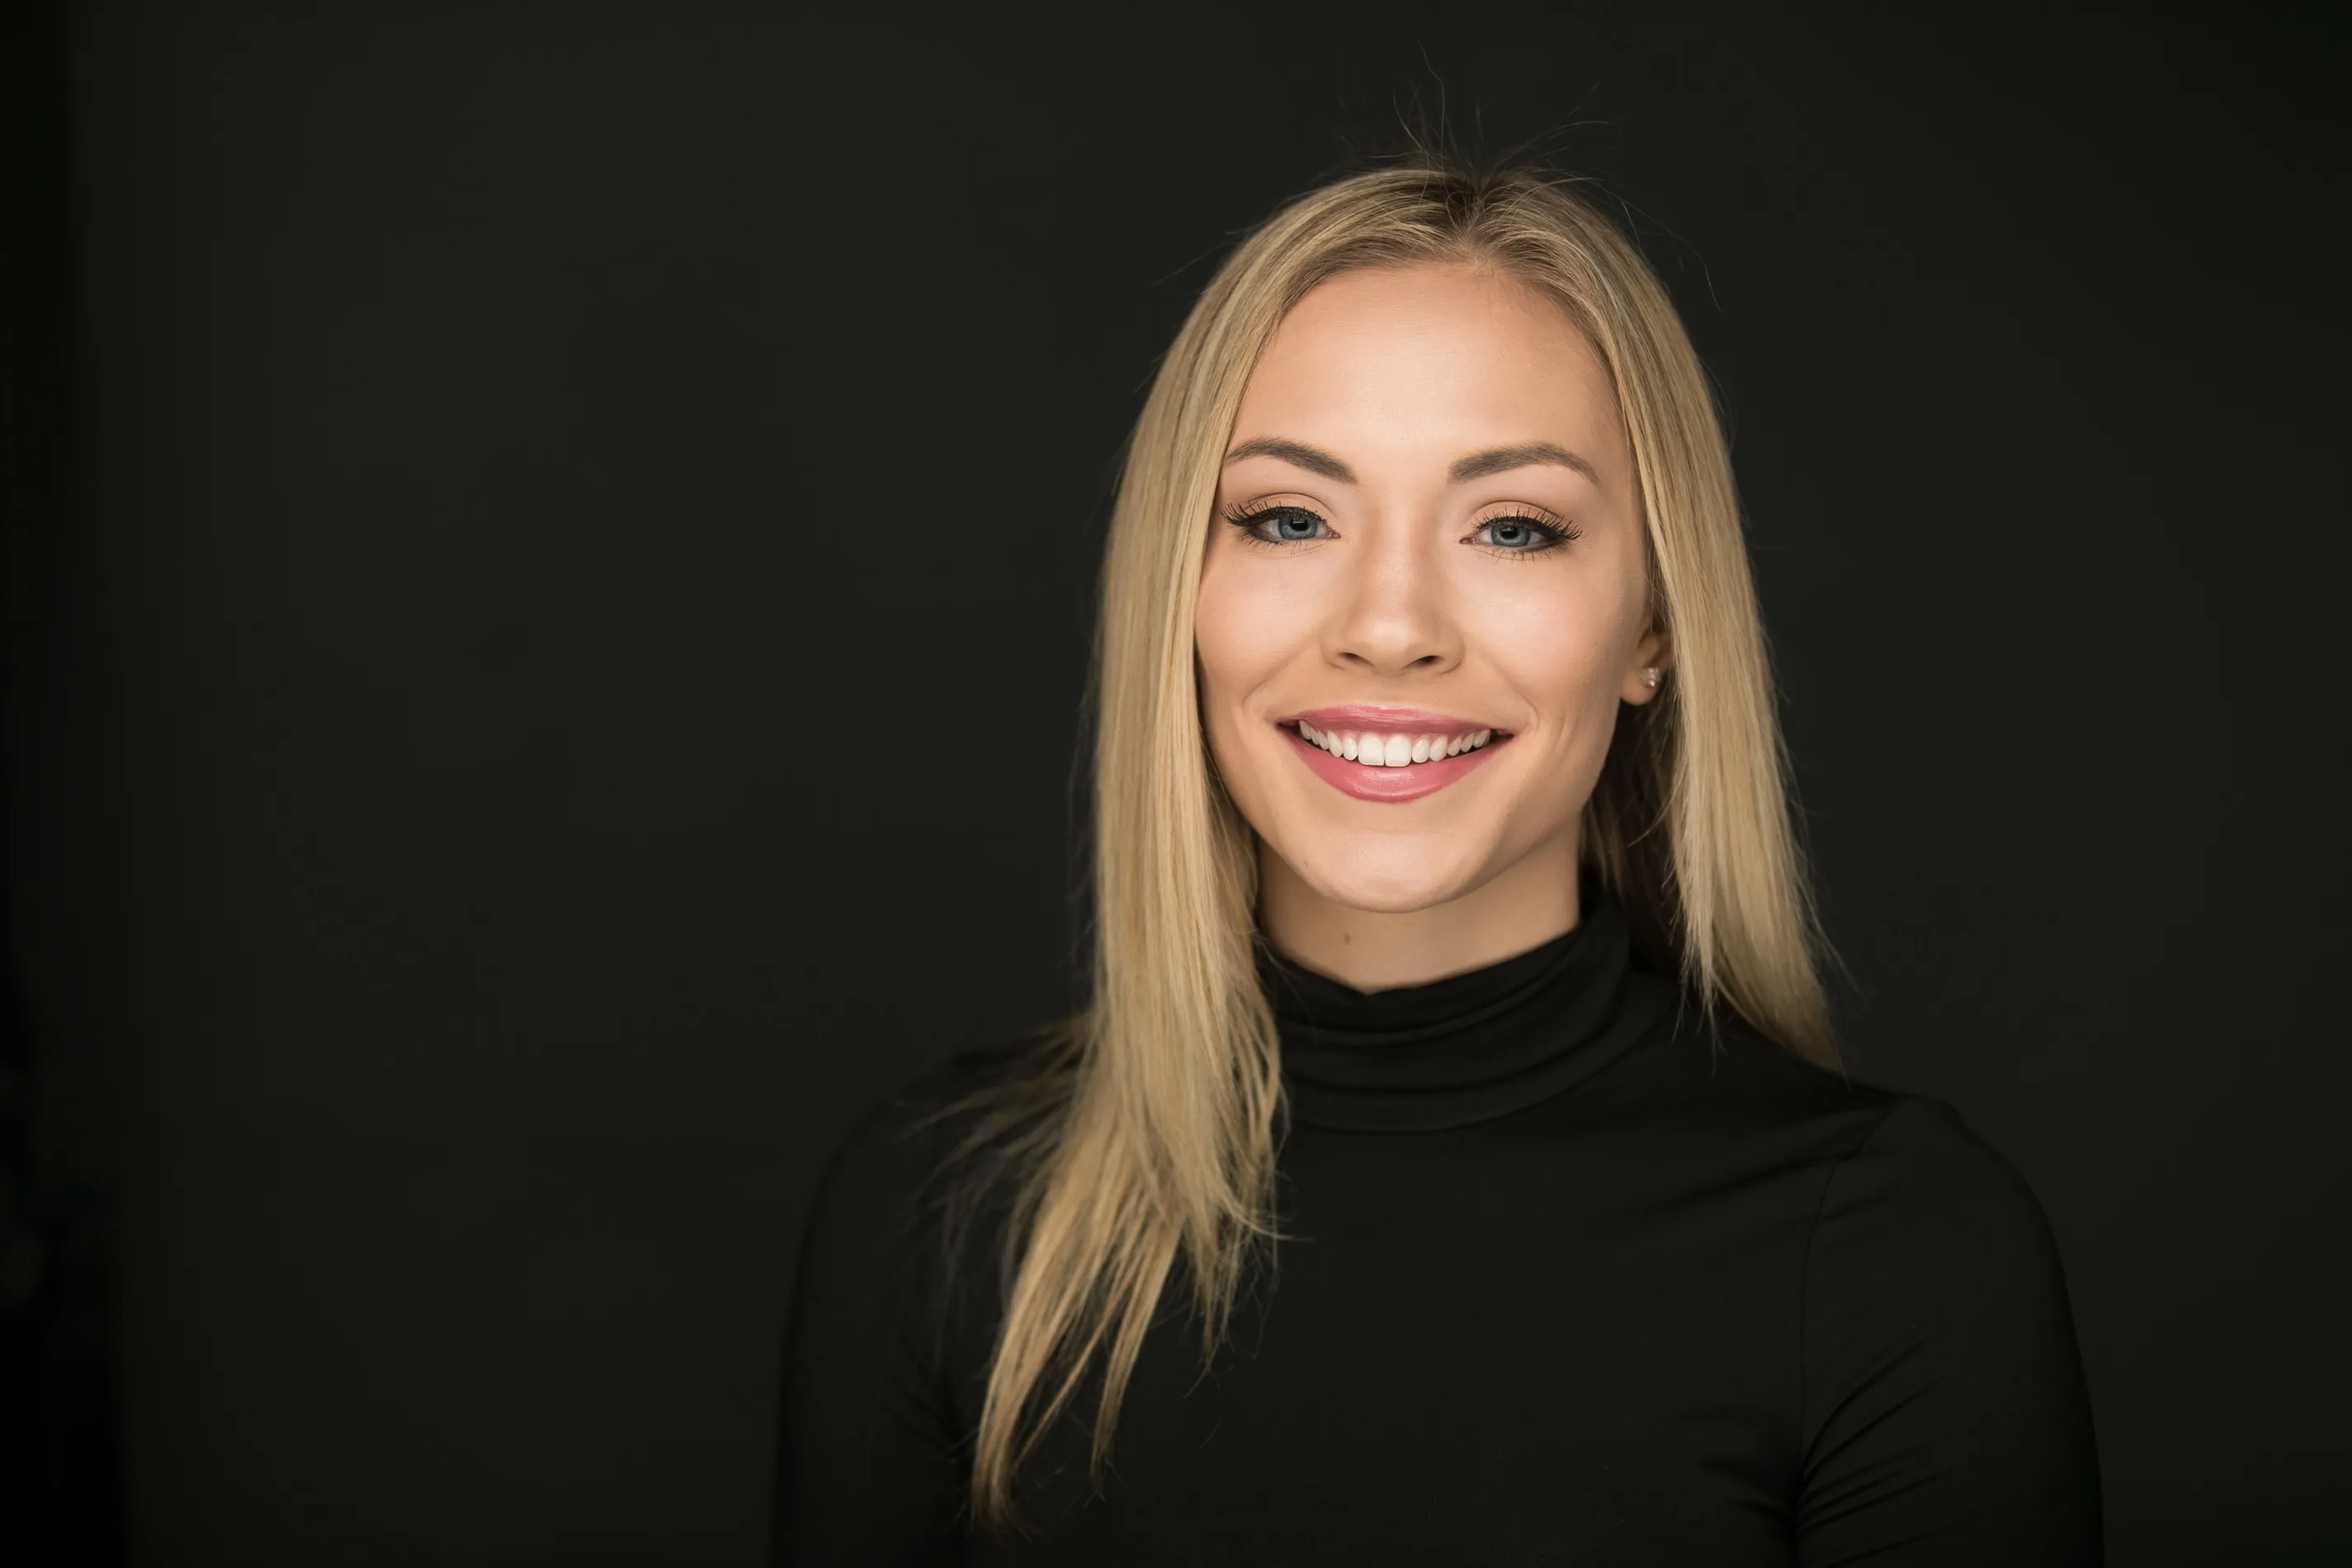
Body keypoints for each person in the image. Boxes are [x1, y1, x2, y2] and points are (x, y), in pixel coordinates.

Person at [772, 157, 2103, 1565]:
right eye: (1289, 518)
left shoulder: (1894, 1251)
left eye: (1512, 528)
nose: (1389, 624)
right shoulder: (943, 1216)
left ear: (1651, 626)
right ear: (1182, 589)